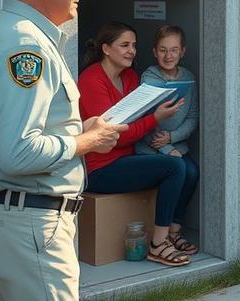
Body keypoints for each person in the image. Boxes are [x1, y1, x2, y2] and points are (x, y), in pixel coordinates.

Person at [0, 0, 126, 300]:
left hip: (23, 221)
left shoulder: (7, 29)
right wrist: (87, 141)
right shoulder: (24, 44)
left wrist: (76, 129)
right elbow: (17, 151)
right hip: (29, 222)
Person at [78, 22, 198, 267]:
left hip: (128, 156)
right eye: (124, 45)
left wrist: (152, 123)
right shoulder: (91, 79)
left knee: (186, 167)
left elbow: (137, 125)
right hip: (101, 167)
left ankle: (170, 235)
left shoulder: (131, 76)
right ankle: (158, 244)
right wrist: (154, 119)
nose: (131, 51)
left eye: (133, 45)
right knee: (174, 167)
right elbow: (112, 137)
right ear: (106, 49)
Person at [137, 24, 200, 256]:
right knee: (180, 169)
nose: (168, 55)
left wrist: (171, 139)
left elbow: (193, 117)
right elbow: (143, 118)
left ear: (182, 51)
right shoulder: (148, 77)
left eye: (174, 50)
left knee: (192, 172)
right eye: (163, 50)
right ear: (154, 51)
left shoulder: (188, 78)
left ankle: (175, 232)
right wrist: (164, 148)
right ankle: (163, 238)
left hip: (175, 144)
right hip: (150, 146)